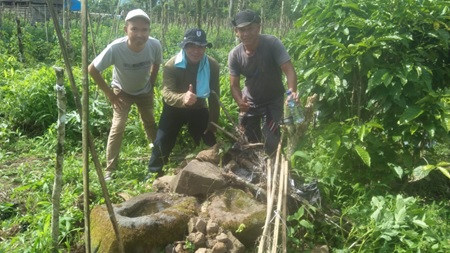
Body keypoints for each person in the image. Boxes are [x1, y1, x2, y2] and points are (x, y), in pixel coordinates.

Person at [88, 9, 163, 180]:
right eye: (134, 29)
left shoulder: (154, 45)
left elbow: (157, 64)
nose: (139, 34)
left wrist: (151, 83)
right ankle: (110, 169)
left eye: (144, 30)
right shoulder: (116, 48)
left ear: (149, 31)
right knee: (118, 126)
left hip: (144, 90)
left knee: (150, 122)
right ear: (126, 30)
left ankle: (159, 158)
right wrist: (111, 95)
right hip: (122, 91)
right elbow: (92, 69)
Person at [147, 28, 220, 178]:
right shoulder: (171, 65)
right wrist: (183, 99)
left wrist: (213, 122)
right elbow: (167, 93)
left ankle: (212, 167)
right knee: (163, 139)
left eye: (200, 47)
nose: (196, 51)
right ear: (184, 46)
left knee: (208, 140)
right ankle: (154, 171)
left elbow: (214, 96)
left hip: (198, 107)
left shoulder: (212, 65)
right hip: (174, 108)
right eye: (192, 46)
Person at [228, 9, 298, 155]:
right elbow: (234, 85)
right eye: (242, 30)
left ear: (258, 27)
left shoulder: (272, 43)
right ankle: (254, 170)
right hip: (251, 101)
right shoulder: (235, 54)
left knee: (271, 140)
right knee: (249, 141)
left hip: (273, 99)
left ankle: (272, 164)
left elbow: (289, 70)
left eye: (250, 29)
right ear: (236, 32)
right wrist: (240, 101)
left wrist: (291, 92)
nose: (246, 34)